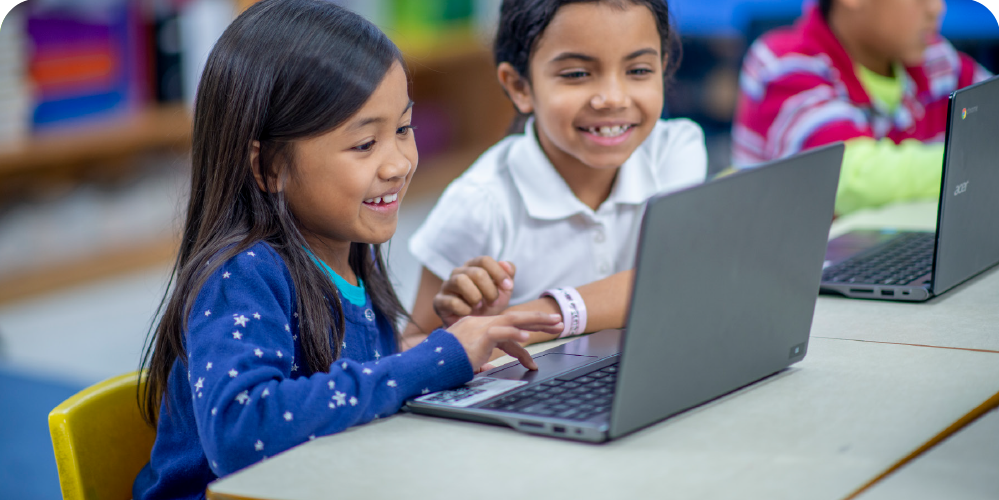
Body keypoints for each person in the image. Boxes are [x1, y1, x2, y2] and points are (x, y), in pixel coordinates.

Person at [133, 2, 562, 498]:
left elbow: (353, 390)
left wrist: (443, 340)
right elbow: (240, 431)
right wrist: (436, 359)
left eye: (403, 129)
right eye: (364, 144)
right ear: (268, 165)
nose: (399, 164)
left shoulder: (350, 257)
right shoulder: (240, 275)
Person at [405, 0, 707, 347]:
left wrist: (512, 322)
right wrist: (464, 325)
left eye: (638, 70)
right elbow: (411, 345)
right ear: (519, 87)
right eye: (577, 74)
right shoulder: (477, 204)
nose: (612, 98)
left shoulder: (674, 150)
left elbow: (671, 280)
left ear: (663, 66)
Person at [732, 0, 992, 215]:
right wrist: (977, 163)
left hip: (888, 254)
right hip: (797, 270)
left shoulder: (937, 61)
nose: (937, 8)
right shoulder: (784, 64)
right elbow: (849, 179)